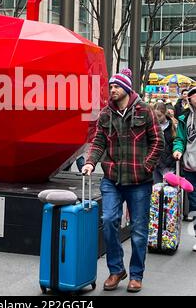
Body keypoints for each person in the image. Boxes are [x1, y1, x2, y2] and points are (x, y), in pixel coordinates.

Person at [82, 68, 164, 293]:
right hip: (112, 179)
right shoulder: (106, 114)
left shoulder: (145, 111)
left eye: (116, 86)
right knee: (108, 220)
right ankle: (116, 270)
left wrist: (146, 166)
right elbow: (98, 141)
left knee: (138, 230)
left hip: (140, 182)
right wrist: (90, 162)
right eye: (110, 86)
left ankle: (136, 274)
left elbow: (158, 142)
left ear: (126, 88)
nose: (112, 89)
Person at [173, 86, 196, 251]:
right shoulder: (184, 118)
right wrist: (178, 149)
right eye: (192, 96)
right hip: (190, 166)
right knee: (194, 203)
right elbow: (180, 138)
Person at [152, 102, 176, 183]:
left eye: (159, 116)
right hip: (156, 165)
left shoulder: (173, 126)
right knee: (156, 191)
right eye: (155, 116)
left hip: (171, 164)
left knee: (171, 192)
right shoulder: (152, 127)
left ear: (165, 113)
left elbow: (176, 144)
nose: (157, 118)